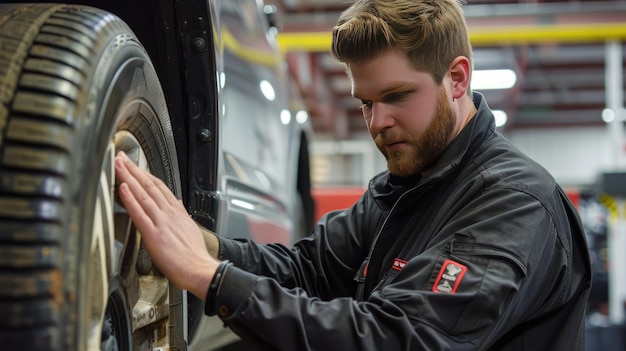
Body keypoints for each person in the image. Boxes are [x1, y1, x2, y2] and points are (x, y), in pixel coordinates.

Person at [114, 0, 592, 349]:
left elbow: (396, 339)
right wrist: (204, 245)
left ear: (458, 79)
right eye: (366, 103)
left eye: (397, 96)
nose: (377, 122)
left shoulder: (513, 204)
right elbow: (310, 271)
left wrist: (210, 279)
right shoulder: (405, 187)